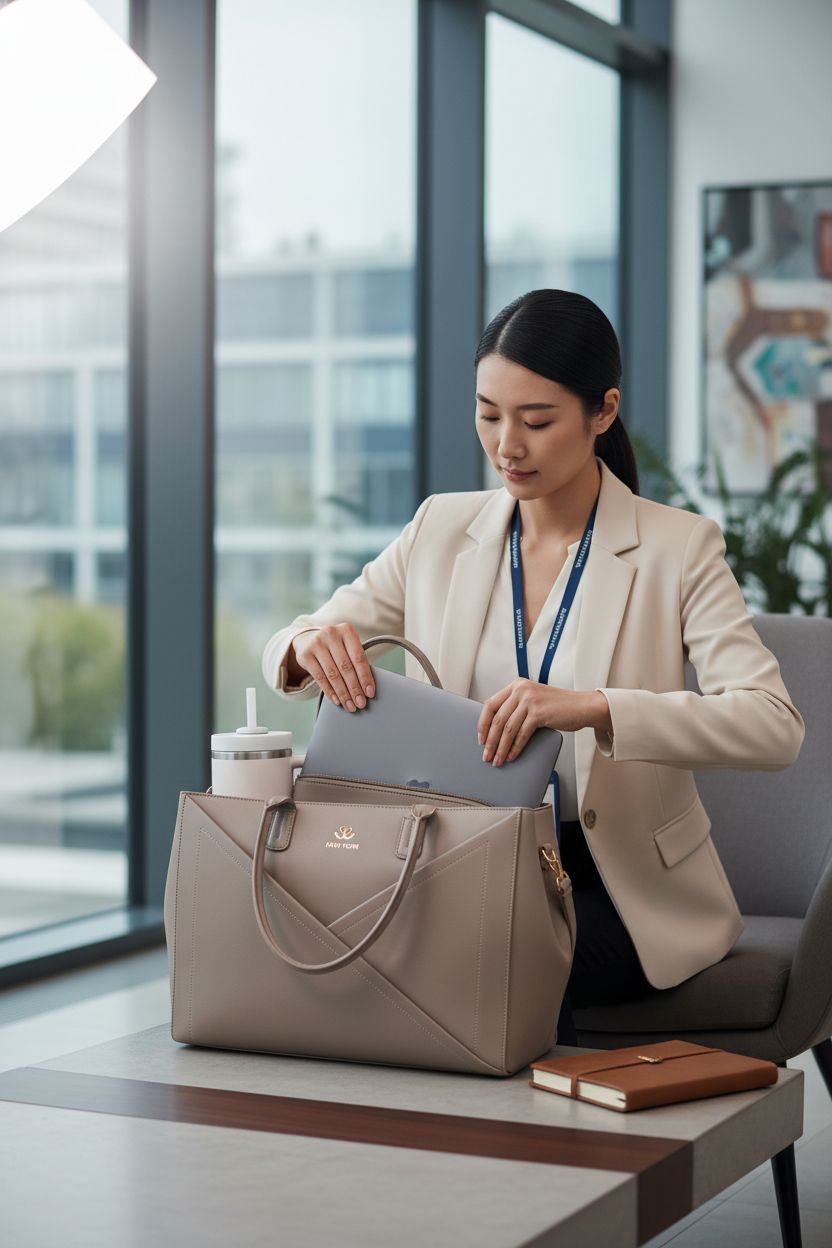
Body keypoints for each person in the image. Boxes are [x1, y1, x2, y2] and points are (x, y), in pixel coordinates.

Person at [262, 288, 806, 1048]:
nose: (506, 445)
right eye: (488, 414)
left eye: (537, 420)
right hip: (456, 861)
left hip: (613, 886)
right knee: (359, 930)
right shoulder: (439, 530)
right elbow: (304, 631)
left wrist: (596, 707)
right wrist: (302, 647)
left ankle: (507, 1158)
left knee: (488, 952)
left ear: (603, 412)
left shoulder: (679, 549)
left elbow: (773, 726)